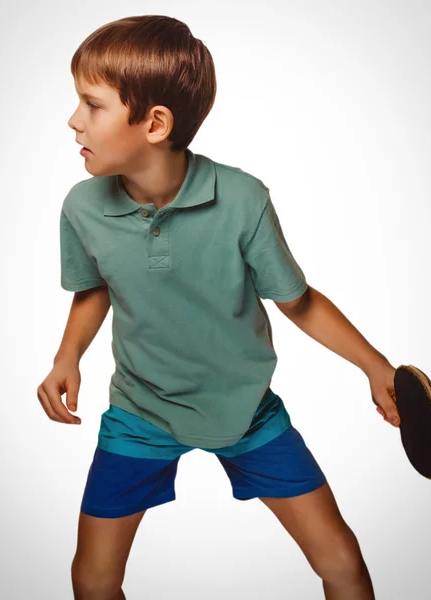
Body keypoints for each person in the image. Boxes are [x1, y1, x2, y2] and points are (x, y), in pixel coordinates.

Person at [37, 14, 401, 600]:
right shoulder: (82, 207)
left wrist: (375, 366)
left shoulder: (242, 198)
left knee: (342, 562)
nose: (73, 120)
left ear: (154, 123)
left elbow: (298, 301)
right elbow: (96, 288)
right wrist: (66, 357)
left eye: (92, 104)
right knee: (93, 578)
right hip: (140, 412)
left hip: (247, 411)